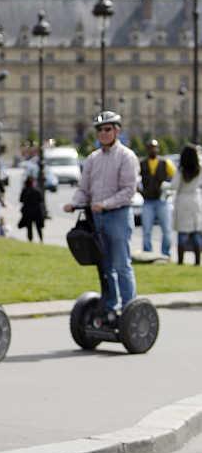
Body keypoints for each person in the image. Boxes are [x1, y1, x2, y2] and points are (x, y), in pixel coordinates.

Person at [64, 111, 139, 315]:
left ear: (117, 130)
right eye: (100, 130)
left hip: (118, 216)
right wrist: (74, 203)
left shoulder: (127, 157)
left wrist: (105, 204)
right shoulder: (92, 159)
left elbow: (128, 191)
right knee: (104, 265)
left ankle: (128, 308)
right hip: (97, 218)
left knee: (121, 264)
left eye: (108, 129)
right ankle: (109, 306)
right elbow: (84, 188)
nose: (103, 133)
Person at [139, 139, 175, 258]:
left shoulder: (165, 163)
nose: (153, 150)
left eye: (154, 147)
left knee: (166, 229)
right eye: (150, 147)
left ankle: (165, 253)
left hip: (162, 201)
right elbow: (134, 178)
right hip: (148, 201)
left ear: (158, 149)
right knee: (146, 230)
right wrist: (140, 191)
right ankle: (148, 253)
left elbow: (175, 178)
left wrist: (168, 189)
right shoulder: (142, 163)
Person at [171, 144, 202, 265]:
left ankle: (180, 261)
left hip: (183, 200)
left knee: (182, 233)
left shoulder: (181, 171)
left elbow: (174, 185)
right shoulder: (199, 169)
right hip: (195, 199)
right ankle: (197, 261)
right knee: (196, 232)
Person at [19, 174, 45, 242]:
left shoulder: (24, 190)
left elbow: (21, 200)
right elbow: (41, 200)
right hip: (37, 211)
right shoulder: (37, 190)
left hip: (28, 211)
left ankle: (30, 240)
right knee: (38, 227)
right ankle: (41, 239)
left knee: (29, 227)